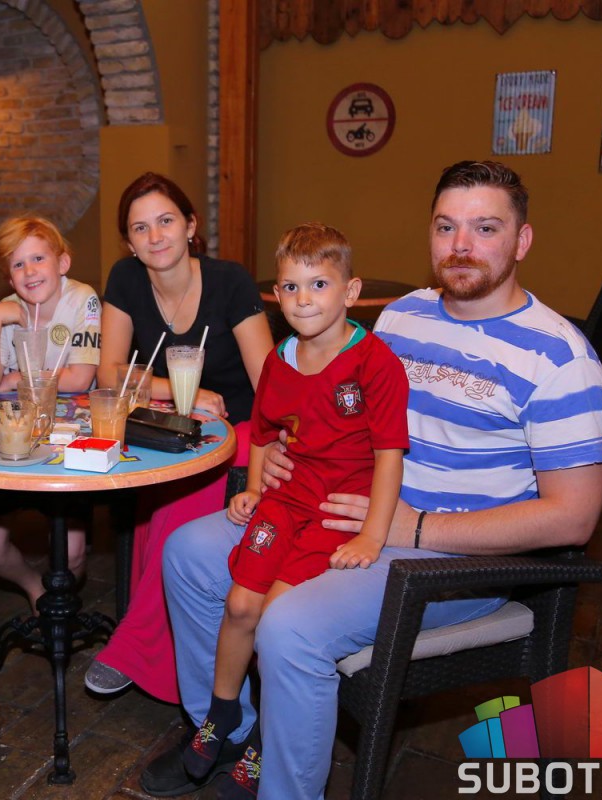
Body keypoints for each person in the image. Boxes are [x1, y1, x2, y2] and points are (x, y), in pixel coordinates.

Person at [150, 160, 602, 799]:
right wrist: (283, 446)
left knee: (287, 625)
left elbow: (574, 518)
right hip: (340, 506)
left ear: (522, 240)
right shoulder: (402, 316)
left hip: (453, 557)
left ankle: (281, 782)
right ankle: (228, 726)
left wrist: (413, 527)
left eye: (485, 228)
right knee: (187, 552)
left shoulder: (559, 356)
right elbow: (333, 407)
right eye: (446, 226)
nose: (461, 245)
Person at [183, 223, 409, 784]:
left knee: (274, 621)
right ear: (276, 296)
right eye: (290, 287)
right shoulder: (278, 361)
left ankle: (266, 741)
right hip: (283, 505)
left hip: (333, 516)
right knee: (241, 605)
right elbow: (263, 432)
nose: (303, 299)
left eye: (319, 284)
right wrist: (254, 487)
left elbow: (390, 456)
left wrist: (372, 534)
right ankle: (222, 713)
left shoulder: (376, 364)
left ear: (350, 291)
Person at [84, 172, 273, 700]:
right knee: (155, 484)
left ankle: (135, 646)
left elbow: (269, 384)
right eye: (140, 228)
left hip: (242, 426)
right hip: (169, 421)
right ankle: (166, 647)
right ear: (129, 242)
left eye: (166, 221)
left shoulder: (230, 282)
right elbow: (109, 373)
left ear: (190, 226)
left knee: (179, 494)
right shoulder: (126, 279)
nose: (155, 236)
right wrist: (176, 389)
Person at [0, 215, 100, 609]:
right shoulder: (7, 310)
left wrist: (16, 377)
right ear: (9, 278)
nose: (29, 271)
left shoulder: (82, 299)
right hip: (17, 439)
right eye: (18, 264)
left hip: (70, 439)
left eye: (38, 258)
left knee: (71, 556)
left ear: (63, 263)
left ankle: (60, 598)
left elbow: (80, 378)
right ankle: (35, 588)